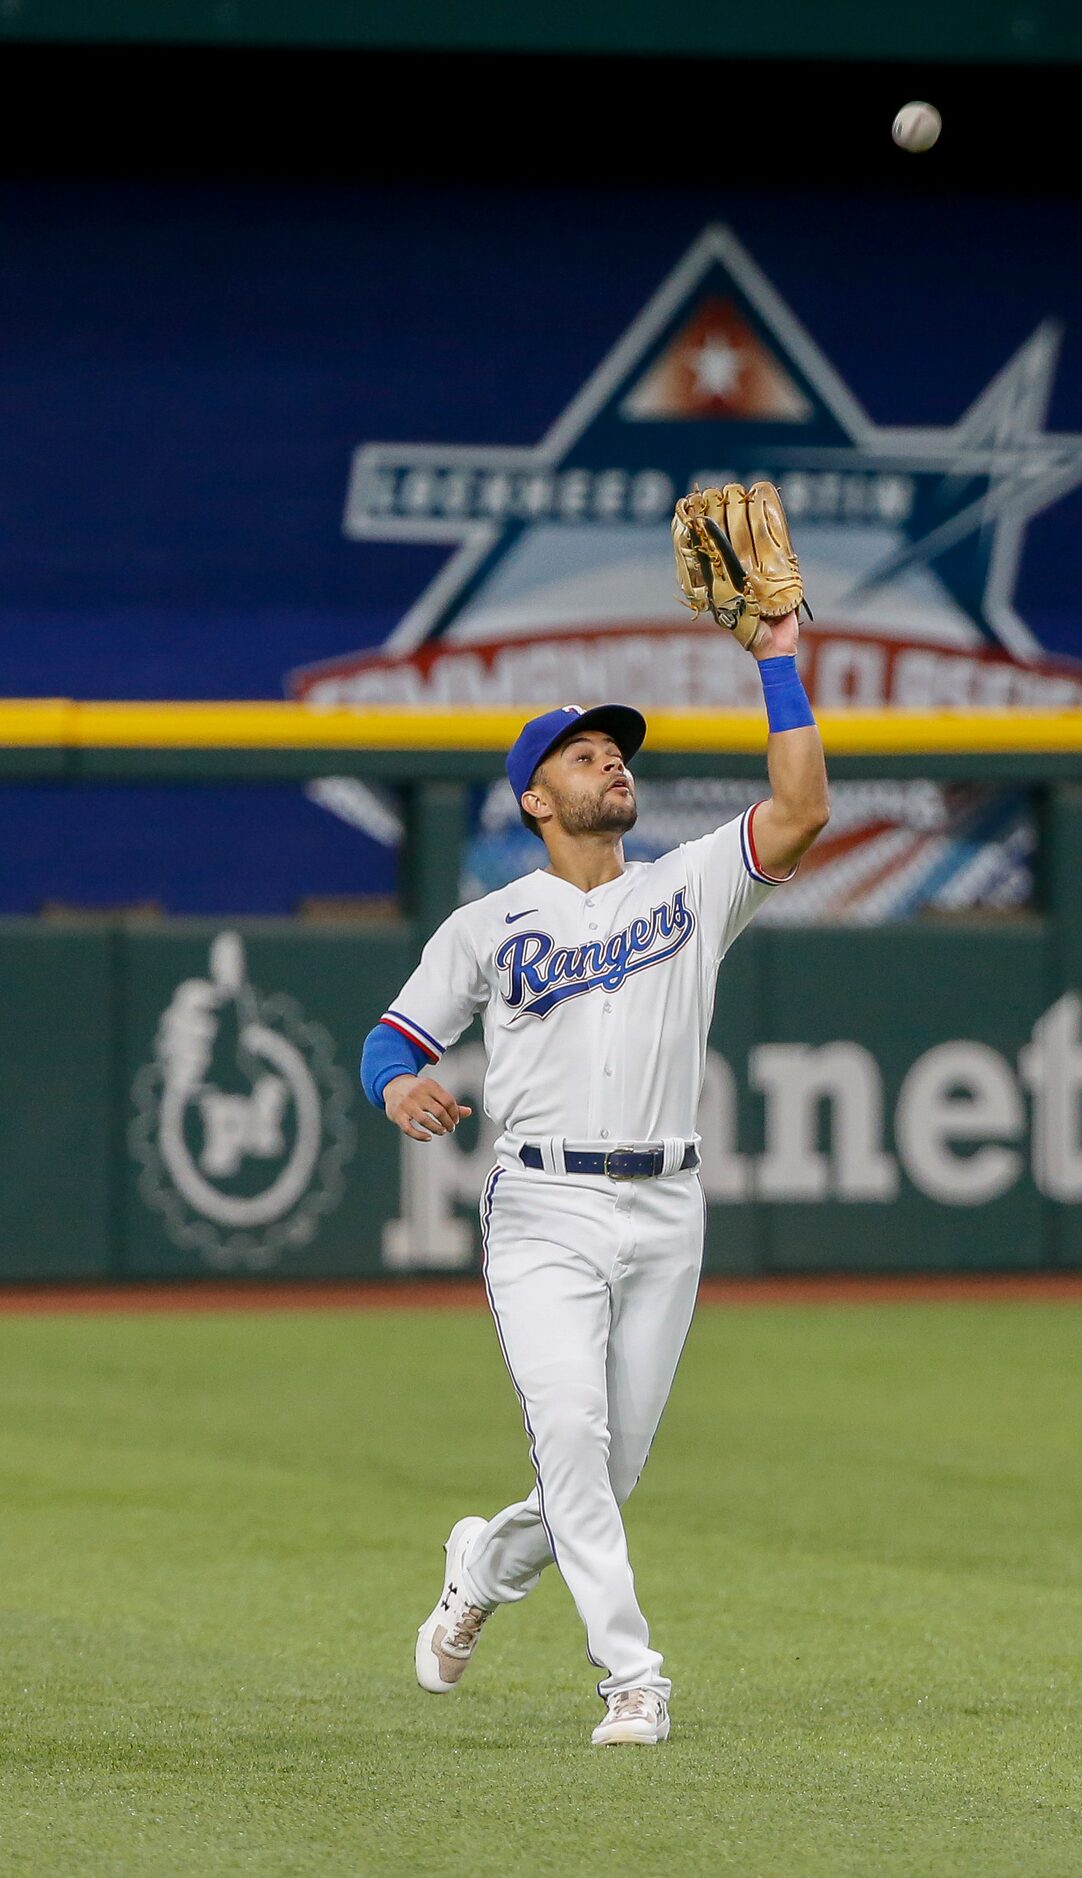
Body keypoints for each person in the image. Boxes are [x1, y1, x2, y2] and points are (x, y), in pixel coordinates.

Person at [359, 485, 828, 1746]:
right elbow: (390, 1039)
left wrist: (780, 661)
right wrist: (400, 1085)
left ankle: (480, 1565)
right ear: (534, 798)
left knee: (603, 1476)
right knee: (572, 1435)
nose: (611, 760)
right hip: (545, 1205)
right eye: (582, 753)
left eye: (615, 749)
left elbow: (799, 811)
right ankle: (632, 1676)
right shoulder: (487, 926)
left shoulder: (689, 888)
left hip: (667, 1203)